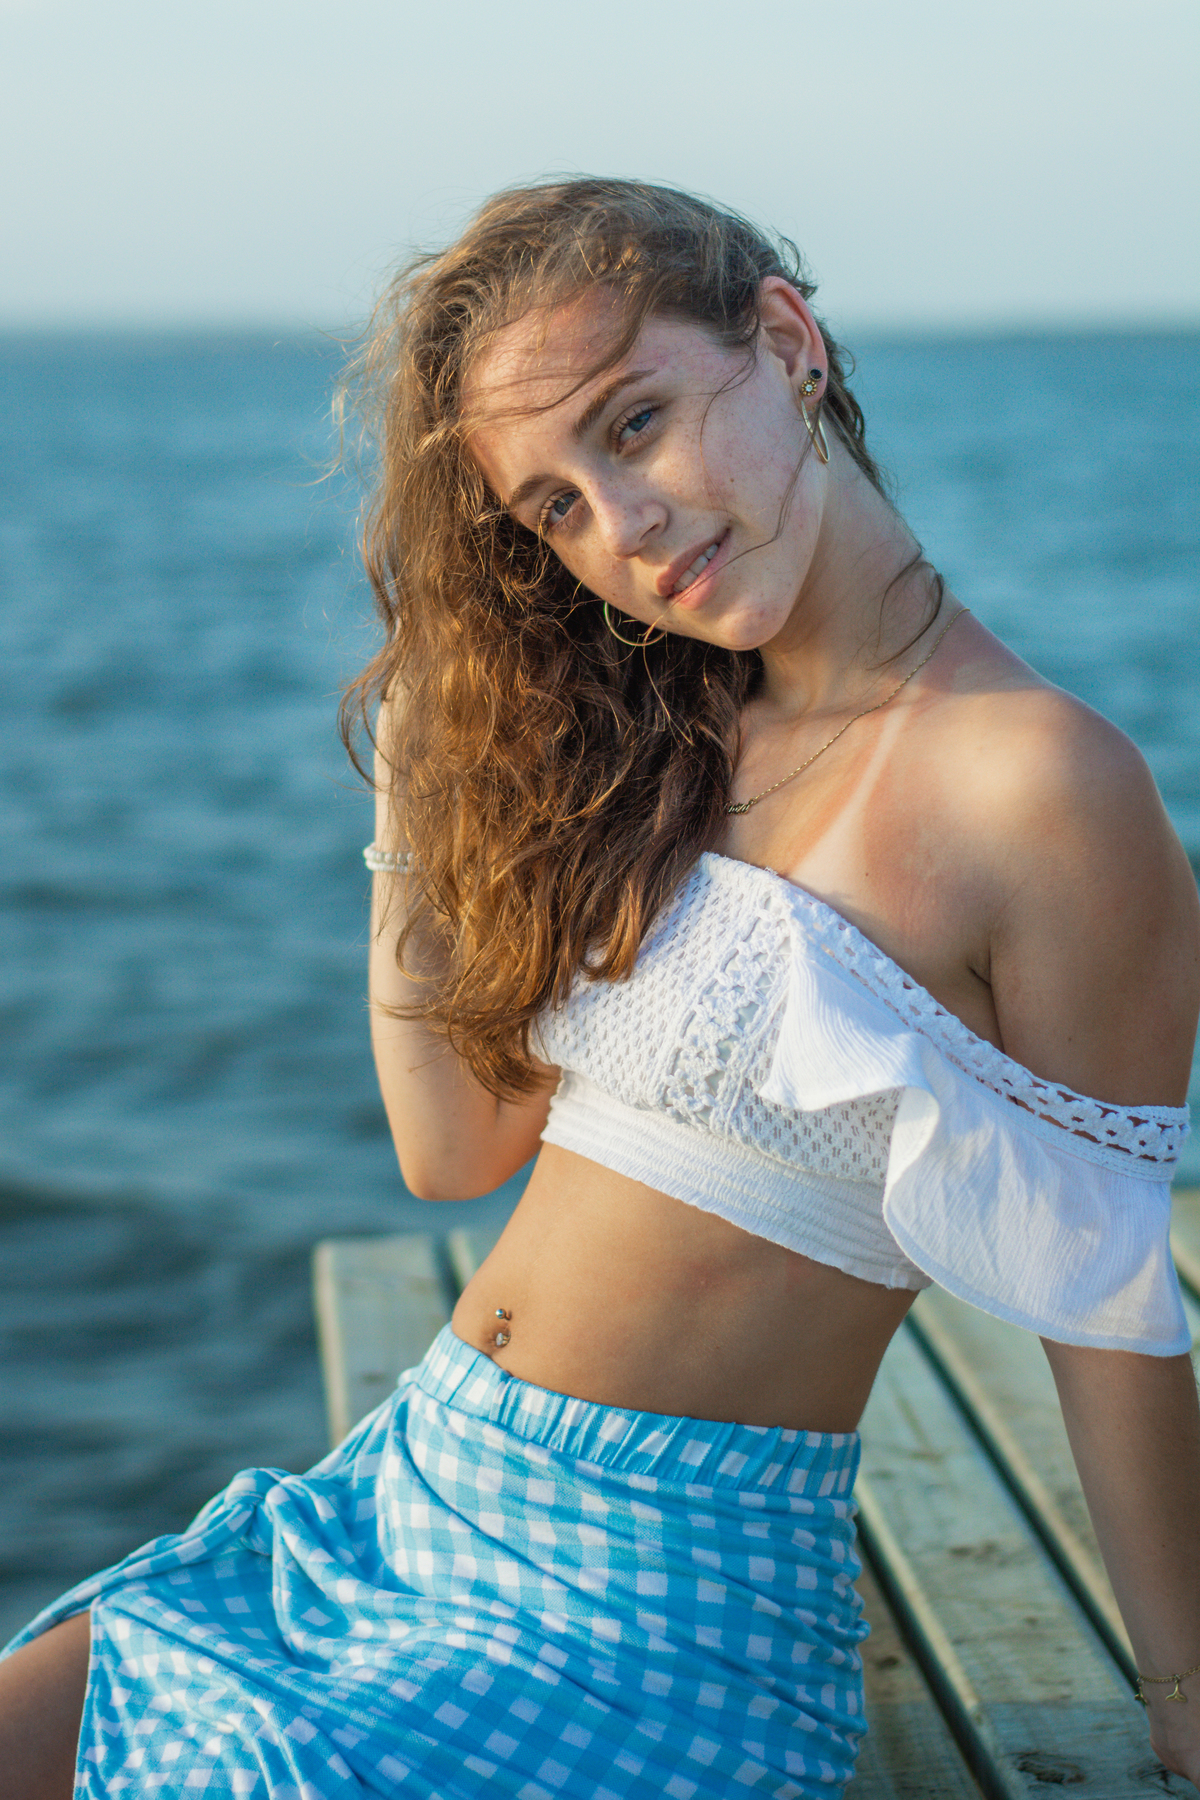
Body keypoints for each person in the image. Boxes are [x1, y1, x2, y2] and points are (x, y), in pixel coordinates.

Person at [2, 176, 1199, 1798]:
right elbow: (455, 1150)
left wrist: (1185, 1696)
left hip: (645, 1607)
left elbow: (1110, 1308)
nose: (619, 529)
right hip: (401, 1497)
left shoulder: (1041, 790)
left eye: (634, 424)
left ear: (787, 342)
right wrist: (418, 788)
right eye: (554, 507)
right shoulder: (674, 744)